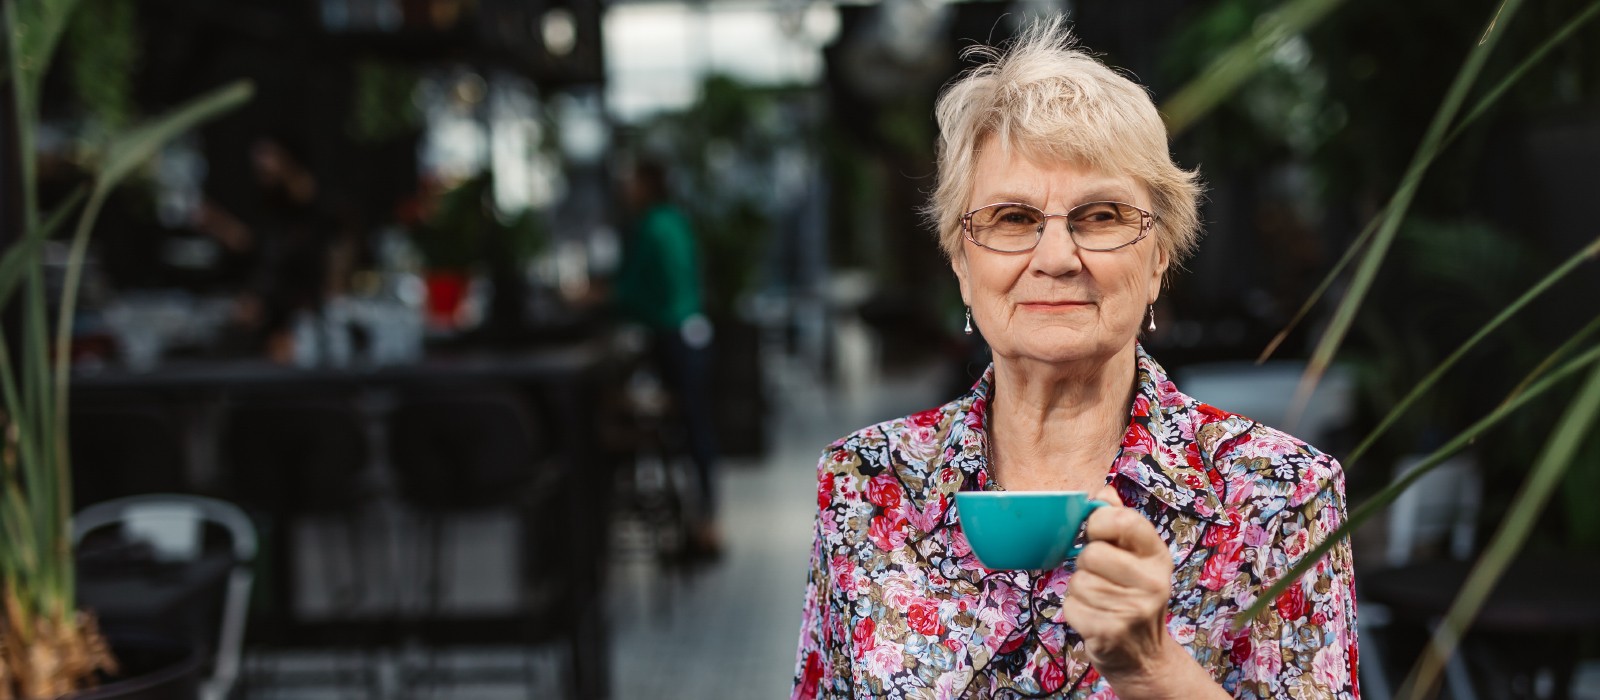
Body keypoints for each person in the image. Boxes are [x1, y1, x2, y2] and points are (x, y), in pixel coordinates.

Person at [792, 21, 1357, 699]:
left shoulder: (1283, 495)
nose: (1056, 258)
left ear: (1158, 262)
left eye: (1101, 216)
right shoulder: (864, 483)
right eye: (1011, 219)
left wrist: (1153, 669)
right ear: (962, 266)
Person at [614, 159, 723, 559]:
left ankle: (702, 527)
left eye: (632, 180)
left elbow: (633, 293)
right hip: (694, 333)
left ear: (647, 183)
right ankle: (705, 522)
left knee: (689, 432)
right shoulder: (675, 221)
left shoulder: (649, 227)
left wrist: (601, 298)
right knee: (697, 430)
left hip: (672, 337)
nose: (626, 188)